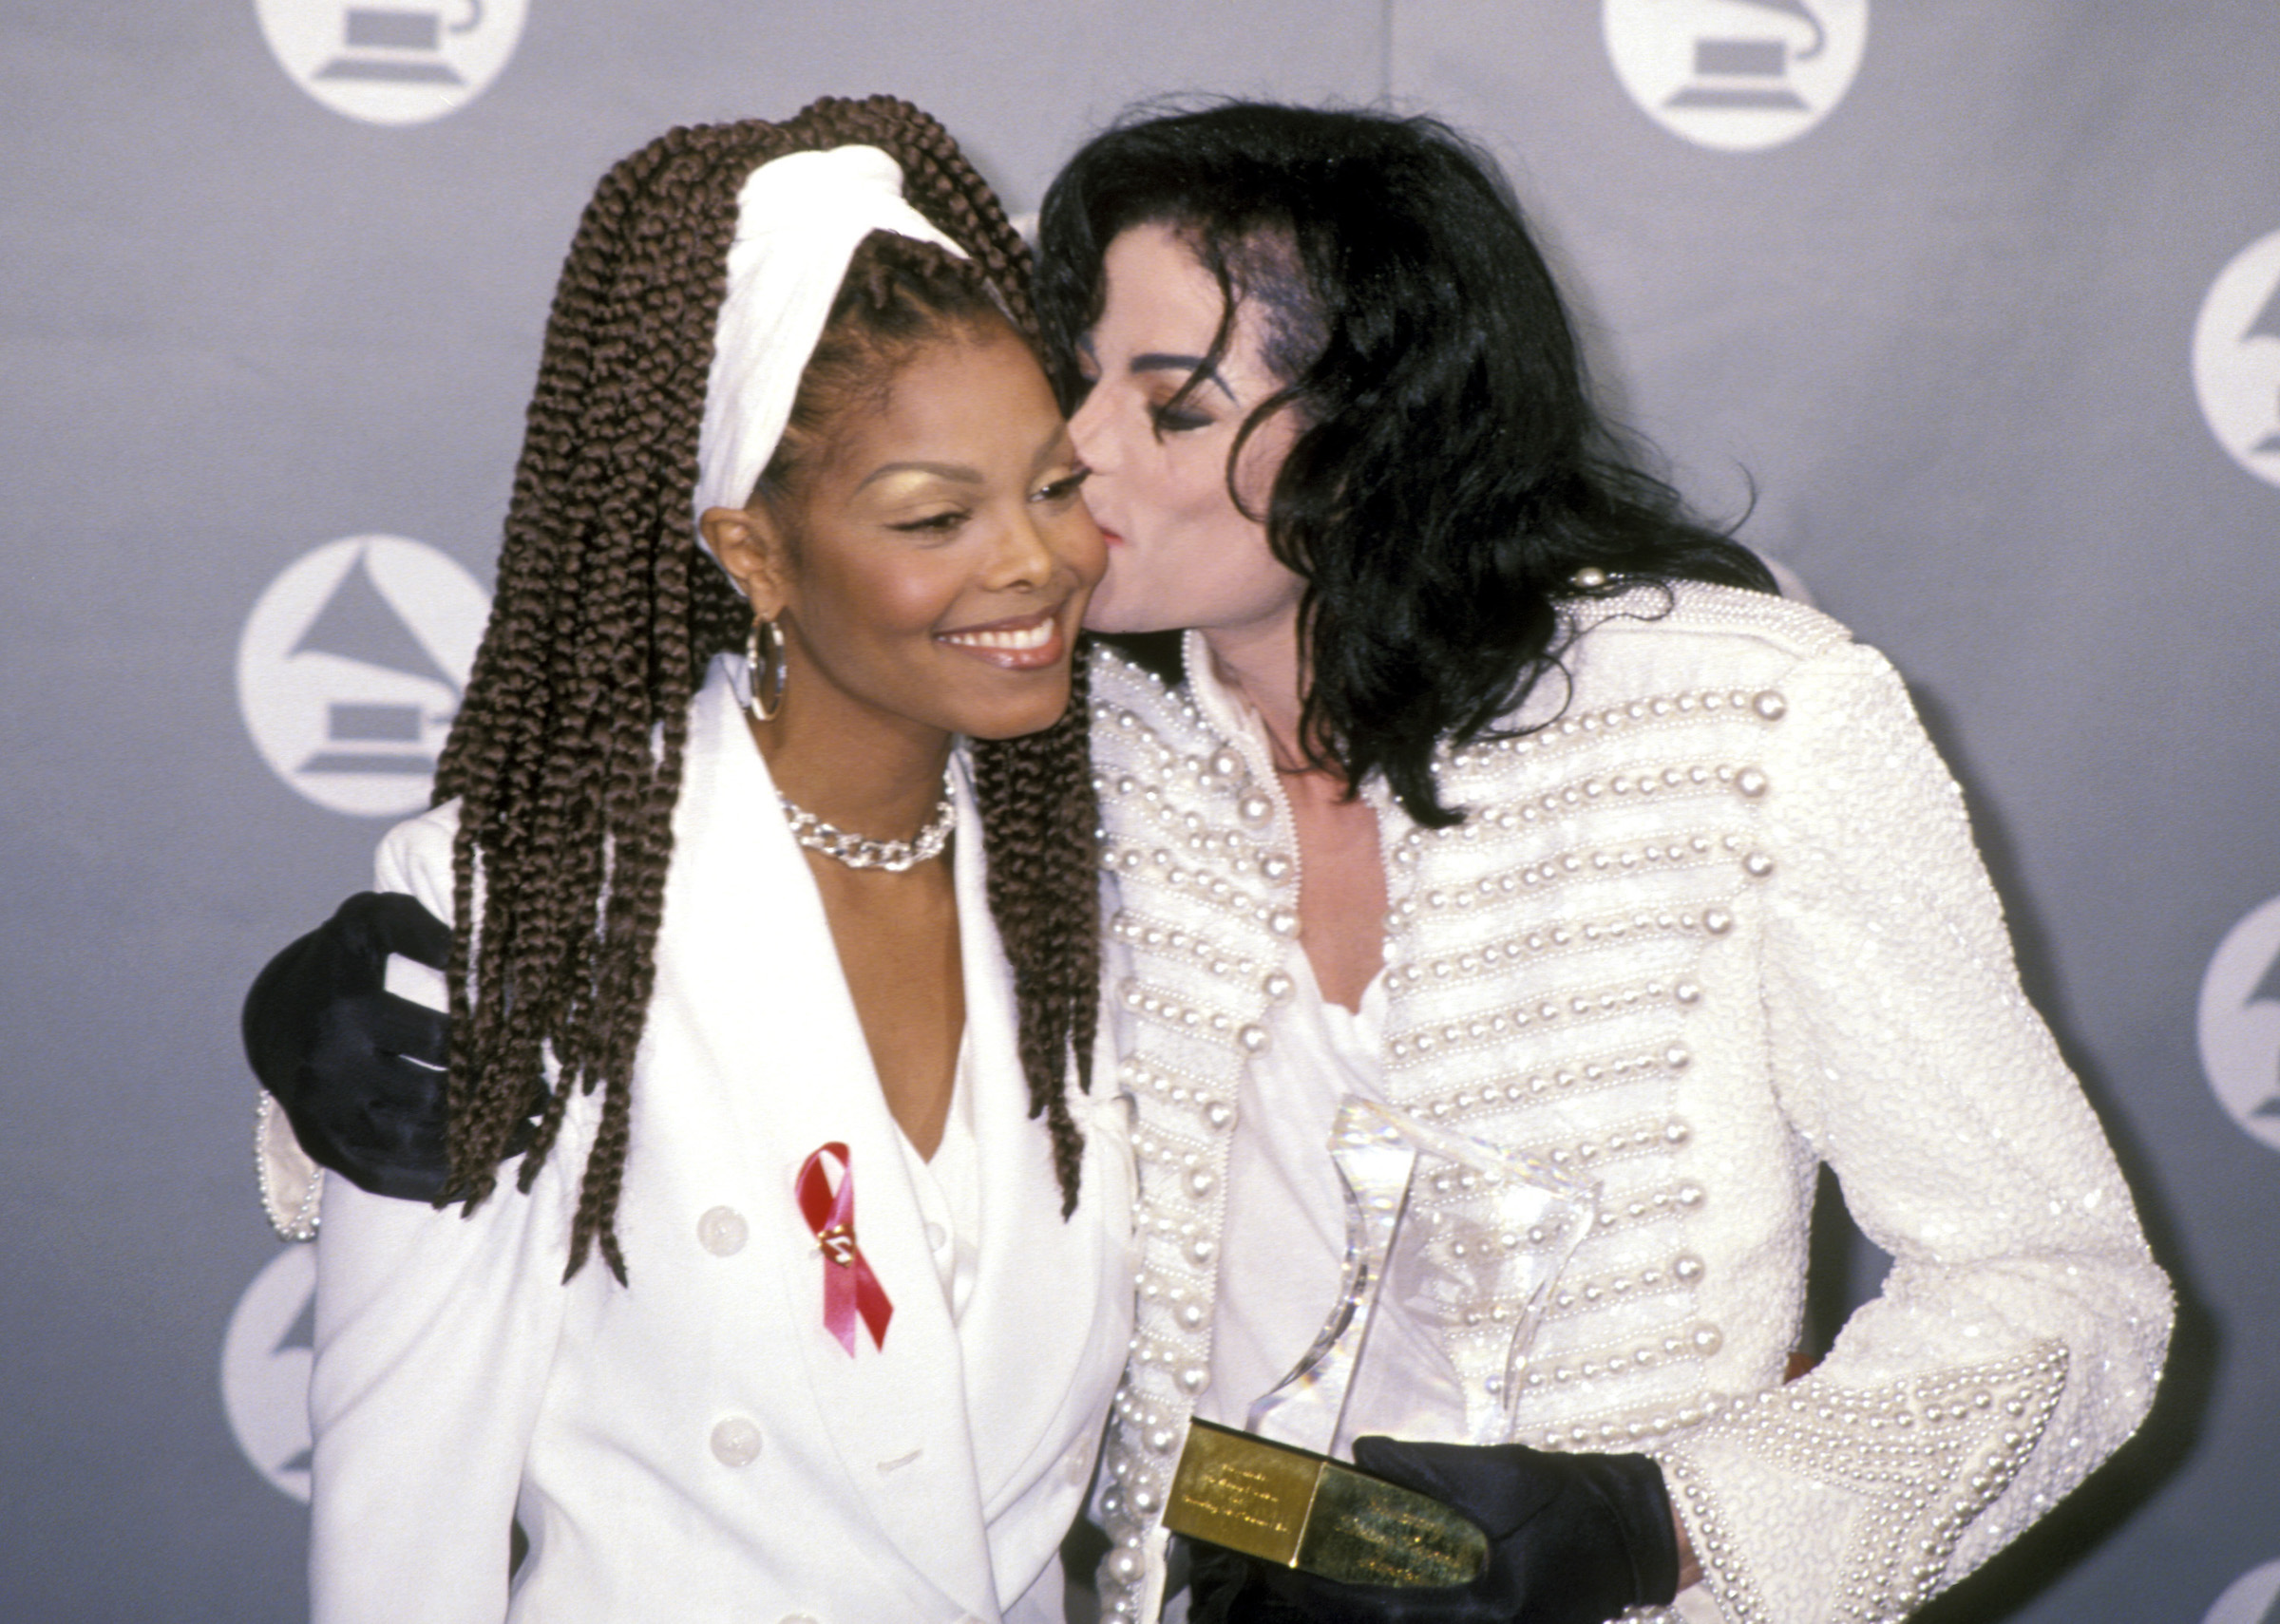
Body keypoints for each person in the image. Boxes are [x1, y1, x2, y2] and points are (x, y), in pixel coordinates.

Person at [250, 102, 2171, 1624]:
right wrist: (308, 1044)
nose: (1070, 460)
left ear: (1372, 435)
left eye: (1165, 403)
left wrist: (1657, 1525)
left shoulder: (1756, 728)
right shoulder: (1080, 762)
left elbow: (2064, 1297)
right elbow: (710, 1007)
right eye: (1060, 381)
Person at [276, 97, 1136, 1624]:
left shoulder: (1096, 879)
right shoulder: (537, 904)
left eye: (1055, 485)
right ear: (752, 555)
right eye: (937, 514)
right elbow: (404, 1526)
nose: (1037, 561)